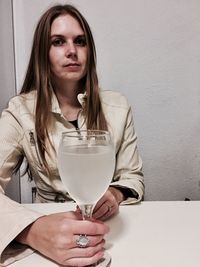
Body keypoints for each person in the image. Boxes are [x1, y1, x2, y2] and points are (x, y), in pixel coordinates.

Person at [0, 4, 144, 267]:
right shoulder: (20, 112)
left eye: (80, 41)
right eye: (58, 42)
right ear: (42, 53)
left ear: (90, 51)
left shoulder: (118, 107)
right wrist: (32, 230)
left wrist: (115, 193)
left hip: (110, 233)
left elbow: (132, 176)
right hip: (47, 239)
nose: (71, 51)